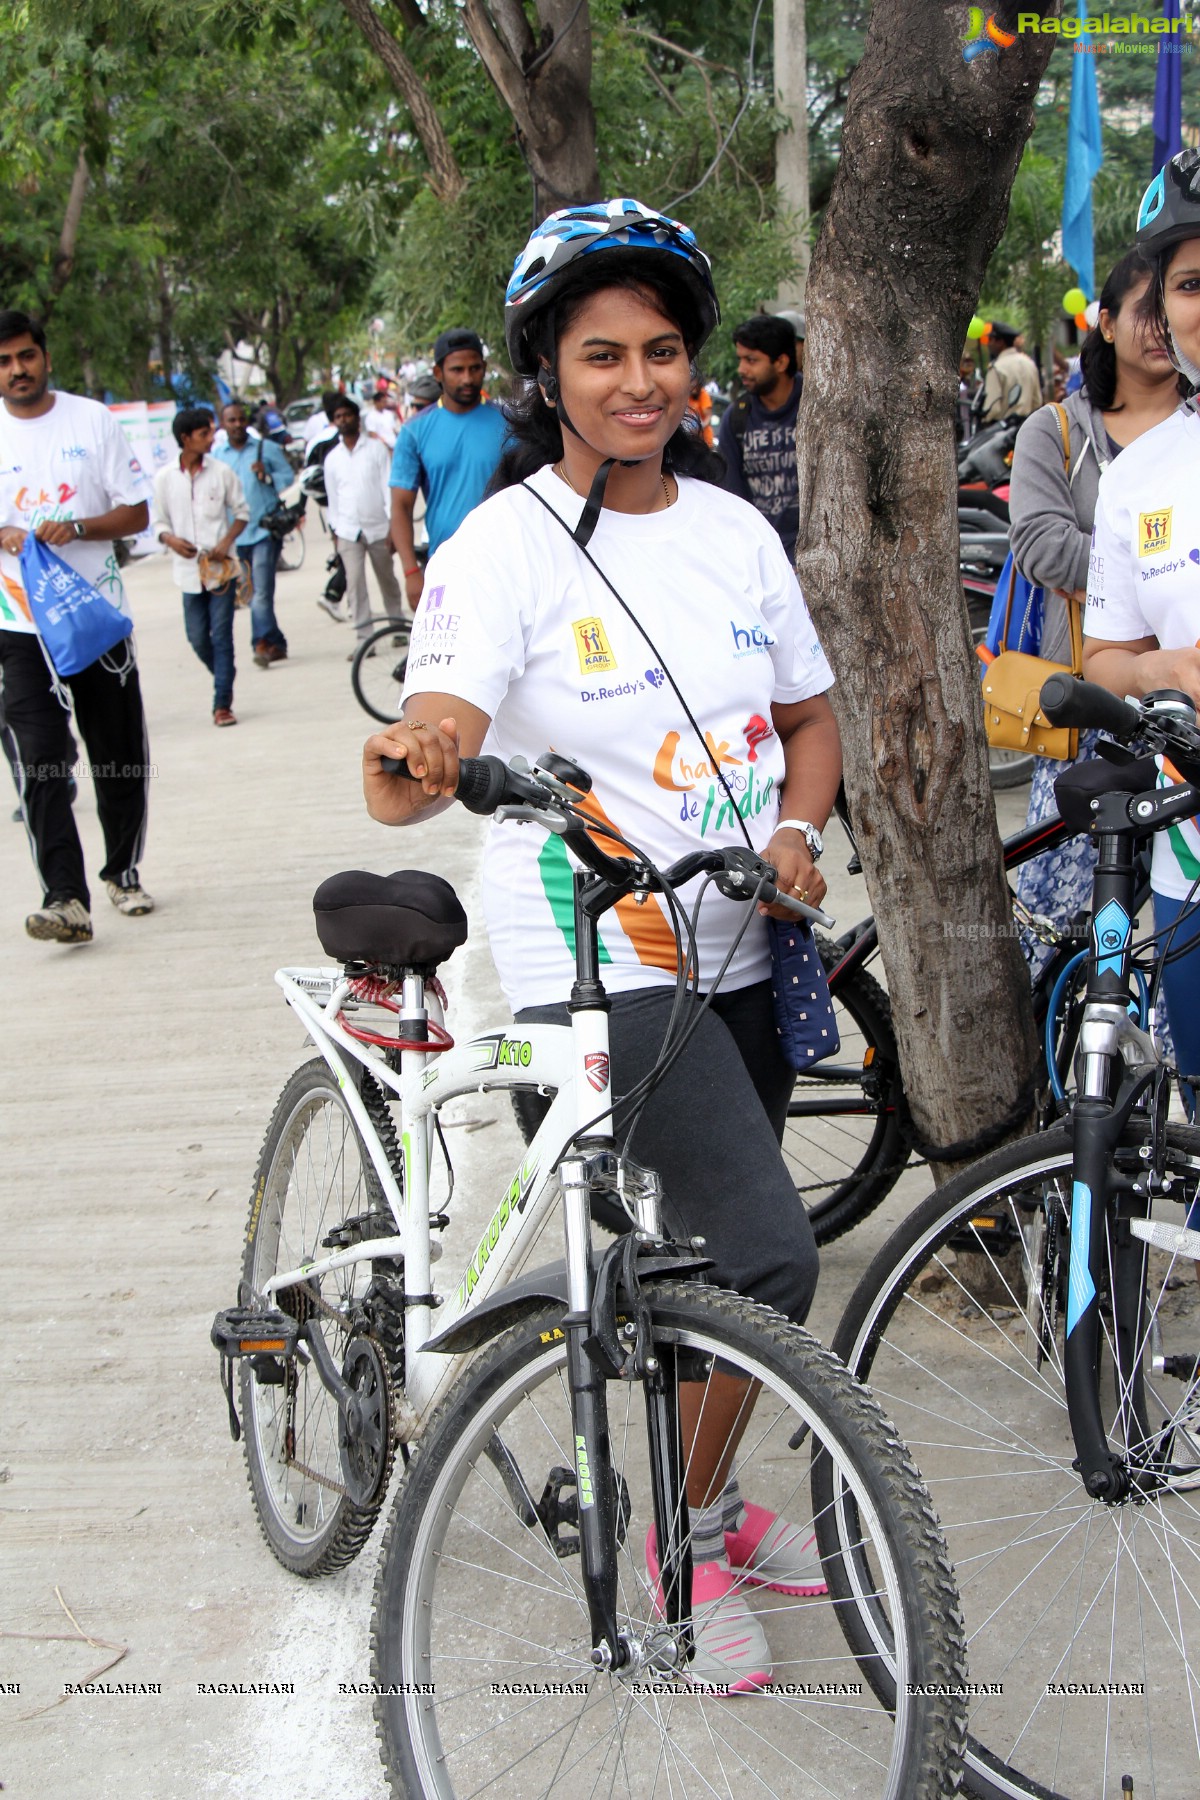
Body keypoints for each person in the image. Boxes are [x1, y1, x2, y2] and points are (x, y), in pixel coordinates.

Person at [363, 198, 841, 1690]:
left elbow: (813, 722)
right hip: (602, 965)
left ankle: (703, 1479)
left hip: (746, 950)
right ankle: (683, 1534)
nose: (637, 382)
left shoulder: (737, 531)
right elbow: (436, 717)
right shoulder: (500, 548)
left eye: (660, 352)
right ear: (545, 373)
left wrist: (796, 835)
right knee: (768, 1259)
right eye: (599, 355)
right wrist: (419, 754)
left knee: (708, 1264)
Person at [1009, 250, 1184, 974]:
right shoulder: (1056, 430)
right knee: (1067, 920)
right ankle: (1070, 1058)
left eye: (1166, 308)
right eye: (1141, 310)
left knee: (1176, 925)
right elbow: (1041, 545)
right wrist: (1148, 573)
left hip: (1185, 723)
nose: (1156, 328)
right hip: (1095, 707)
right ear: (1105, 324)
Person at [1084, 149, 1200, 1095]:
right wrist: (1173, 669)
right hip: (1192, 862)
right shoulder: (1139, 476)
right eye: (1195, 282)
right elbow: (1102, 660)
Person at [0, 309, 155, 942]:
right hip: (18, 627)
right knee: (38, 762)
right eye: (5, 361)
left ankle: (122, 870)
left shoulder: (92, 419)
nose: (17, 370)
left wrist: (82, 527)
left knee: (116, 754)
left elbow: (138, 513)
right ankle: (65, 896)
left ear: (45, 357)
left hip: (95, 620)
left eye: (26, 356)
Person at [389, 328, 509, 612]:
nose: (467, 378)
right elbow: (400, 507)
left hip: (506, 565)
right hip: (446, 566)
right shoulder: (415, 431)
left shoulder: (510, 424)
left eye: (474, 368)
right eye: (457, 370)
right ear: (438, 373)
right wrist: (410, 572)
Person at [152, 406, 248, 726]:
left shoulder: (221, 472)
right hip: (187, 572)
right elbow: (158, 522)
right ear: (185, 438)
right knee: (197, 637)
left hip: (220, 570)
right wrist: (170, 539)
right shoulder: (165, 479)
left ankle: (222, 703)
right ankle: (225, 673)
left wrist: (224, 543)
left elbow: (242, 513)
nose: (210, 438)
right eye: (203, 433)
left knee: (221, 635)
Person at [717, 313, 804, 562]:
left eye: (752, 360)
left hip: (815, 556)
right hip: (765, 558)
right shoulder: (737, 418)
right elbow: (732, 497)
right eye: (741, 359)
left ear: (781, 362)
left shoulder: (815, 408)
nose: (742, 369)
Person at [323, 395, 404, 655]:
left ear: (357, 418)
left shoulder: (376, 449)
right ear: (333, 422)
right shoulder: (332, 458)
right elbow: (332, 499)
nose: (344, 420)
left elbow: (387, 487)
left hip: (378, 527)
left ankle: (397, 627)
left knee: (387, 579)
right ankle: (363, 639)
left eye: (348, 415)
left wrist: (393, 526)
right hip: (347, 530)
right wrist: (335, 532)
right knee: (355, 585)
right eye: (338, 417)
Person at [213, 401, 292, 667]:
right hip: (235, 535)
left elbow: (288, 477)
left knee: (261, 593)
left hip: (263, 531)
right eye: (231, 420)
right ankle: (276, 642)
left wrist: (267, 475)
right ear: (223, 424)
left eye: (240, 419)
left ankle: (260, 643)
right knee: (250, 594)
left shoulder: (265, 449)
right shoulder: (217, 456)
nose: (237, 425)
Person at [980, 321, 1043, 422]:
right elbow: (1037, 401)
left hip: (1002, 431)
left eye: (990, 339)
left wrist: (984, 421)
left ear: (1000, 342)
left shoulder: (996, 368)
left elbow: (993, 408)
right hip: (1027, 426)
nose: (988, 344)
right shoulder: (1029, 363)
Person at [364, 380, 399, 452]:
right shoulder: (371, 416)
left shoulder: (389, 414)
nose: (385, 404)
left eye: (385, 401)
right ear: (376, 402)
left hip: (394, 446)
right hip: (382, 448)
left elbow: (393, 430)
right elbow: (373, 435)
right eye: (383, 402)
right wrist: (387, 447)